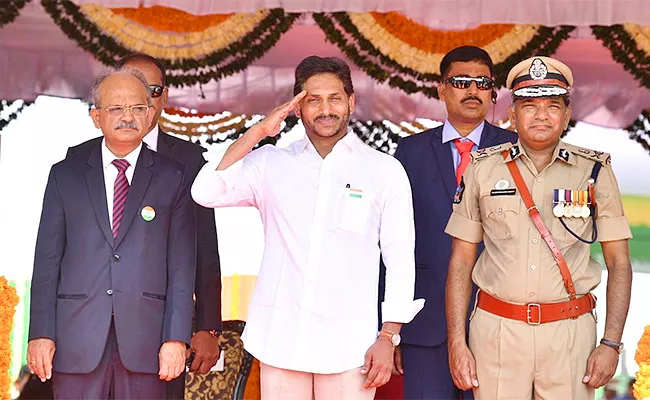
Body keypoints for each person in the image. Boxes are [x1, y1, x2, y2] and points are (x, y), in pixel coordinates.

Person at [191, 55, 424, 399]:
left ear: (350, 101)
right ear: (297, 107)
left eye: (334, 98)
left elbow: (400, 257)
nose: (325, 109)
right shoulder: (271, 162)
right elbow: (205, 190)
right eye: (313, 100)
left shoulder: (383, 171)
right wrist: (258, 132)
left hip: (349, 346)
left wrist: (388, 336)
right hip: (283, 339)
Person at [445, 56, 633, 399]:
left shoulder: (594, 171)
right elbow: (460, 260)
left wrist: (611, 342)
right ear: (512, 114)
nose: (541, 115)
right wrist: (457, 341)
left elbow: (619, 262)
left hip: (569, 335)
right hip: (497, 333)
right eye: (529, 105)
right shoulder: (482, 169)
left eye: (552, 105)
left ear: (566, 114)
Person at [27, 68, 196, 399]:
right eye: (116, 109)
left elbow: (181, 266)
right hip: (76, 340)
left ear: (150, 115)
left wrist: (176, 338)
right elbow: (46, 262)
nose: (127, 117)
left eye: (137, 108)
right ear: (96, 117)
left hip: (148, 343)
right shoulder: (66, 175)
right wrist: (41, 333)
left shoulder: (173, 177)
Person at [67, 53, 223, 399]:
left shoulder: (188, 160)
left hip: (162, 331)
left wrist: (208, 328)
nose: (139, 98)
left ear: (163, 99)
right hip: (88, 330)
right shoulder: (78, 159)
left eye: (151, 90)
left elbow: (204, 250)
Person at [387, 45, 516, 399]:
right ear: (441, 88)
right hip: (424, 325)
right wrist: (389, 330)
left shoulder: (516, 150)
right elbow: (391, 242)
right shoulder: (409, 153)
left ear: (493, 92)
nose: (472, 91)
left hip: (500, 322)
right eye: (461, 82)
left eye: (482, 83)